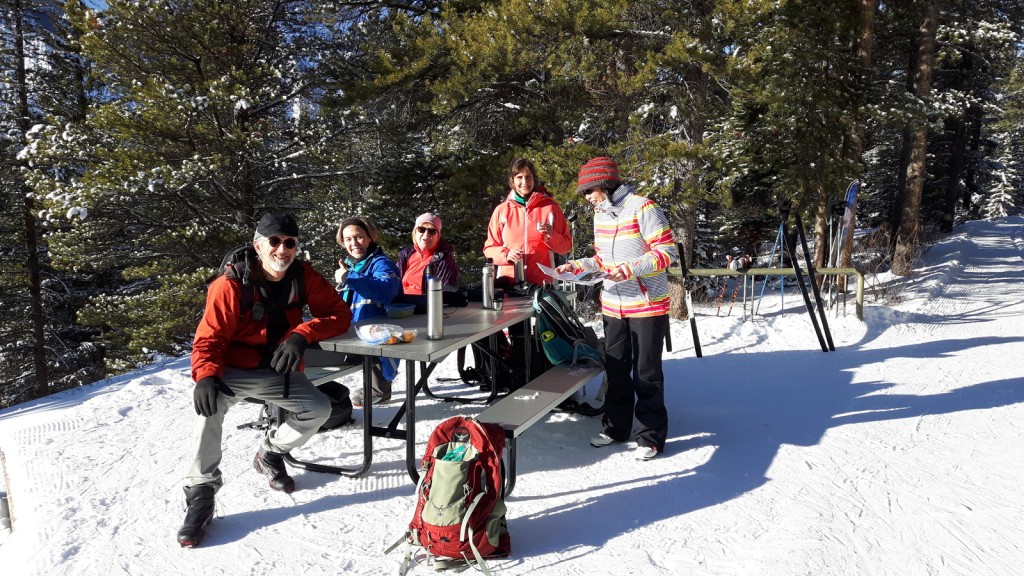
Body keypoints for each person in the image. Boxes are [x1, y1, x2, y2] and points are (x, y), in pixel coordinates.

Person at [180, 213, 352, 547]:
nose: (282, 249)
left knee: (317, 408)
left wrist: (302, 334)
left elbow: (338, 314)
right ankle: (200, 494)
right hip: (233, 370)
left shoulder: (303, 276)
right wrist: (206, 377)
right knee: (208, 410)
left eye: (290, 243)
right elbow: (209, 340)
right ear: (259, 245)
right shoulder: (230, 285)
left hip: (278, 370)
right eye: (274, 241)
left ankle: (270, 453)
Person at [556, 157, 678, 461]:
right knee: (616, 368)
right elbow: (601, 260)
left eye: (589, 191)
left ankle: (650, 435)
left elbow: (666, 252)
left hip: (647, 303)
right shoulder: (601, 215)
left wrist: (630, 269)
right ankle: (615, 428)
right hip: (613, 305)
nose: (586, 198)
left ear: (605, 184)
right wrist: (577, 266)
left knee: (646, 372)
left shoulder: (643, 207)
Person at [334, 216, 402, 406]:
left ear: (370, 237)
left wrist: (349, 277)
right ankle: (373, 387)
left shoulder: (381, 263)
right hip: (360, 330)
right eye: (348, 239)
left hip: (380, 333)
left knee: (379, 360)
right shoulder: (354, 266)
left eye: (359, 237)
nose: (354, 243)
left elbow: (385, 290)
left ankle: (379, 391)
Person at [483, 157, 572, 288]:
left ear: (534, 179)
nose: (524, 182)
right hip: (509, 284)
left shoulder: (550, 207)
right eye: (519, 177)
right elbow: (489, 249)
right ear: (512, 180)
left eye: (528, 177)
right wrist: (506, 255)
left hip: (543, 284)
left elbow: (566, 246)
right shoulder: (502, 210)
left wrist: (552, 236)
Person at [396, 212, 460, 294]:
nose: (426, 235)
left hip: (424, 305)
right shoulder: (405, 256)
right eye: (421, 229)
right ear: (414, 233)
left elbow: (444, 296)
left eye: (432, 231)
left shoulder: (444, 262)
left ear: (438, 236)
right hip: (400, 304)